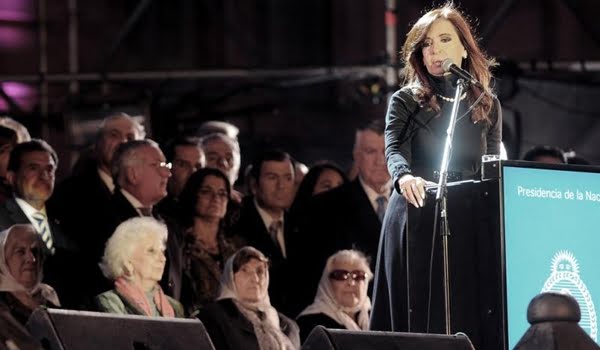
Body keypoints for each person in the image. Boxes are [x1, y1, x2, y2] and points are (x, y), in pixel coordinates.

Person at [370, 3, 502, 333]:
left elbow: (493, 165)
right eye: (426, 44)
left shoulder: (485, 103)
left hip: (468, 216)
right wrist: (404, 177)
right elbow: (394, 149)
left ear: (463, 47)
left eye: (444, 40)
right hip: (418, 207)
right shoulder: (406, 100)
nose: (434, 50)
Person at [197, 246, 300, 350]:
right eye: (245, 270)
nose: (255, 279)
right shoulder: (214, 318)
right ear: (231, 277)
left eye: (260, 271)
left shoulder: (289, 326)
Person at [178, 168, 244, 314]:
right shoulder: (180, 245)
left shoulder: (237, 246)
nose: (216, 198)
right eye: (206, 191)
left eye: (222, 193)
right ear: (193, 195)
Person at [95, 217, 184, 317]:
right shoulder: (111, 301)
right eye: (151, 251)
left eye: (162, 251)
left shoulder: (175, 307)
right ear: (127, 262)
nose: (162, 259)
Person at [296, 250, 372, 343]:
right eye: (340, 275)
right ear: (327, 283)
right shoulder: (310, 324)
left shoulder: (378, 317)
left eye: (358, 276)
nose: (351, 283)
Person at [0, 224, 60, 325]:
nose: (32, 259)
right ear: (3, 260)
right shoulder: (3, 305)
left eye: (35, 251)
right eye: (20, 251)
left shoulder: (49, 296)